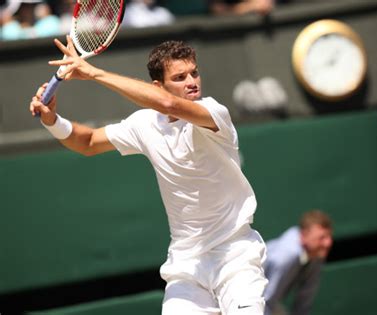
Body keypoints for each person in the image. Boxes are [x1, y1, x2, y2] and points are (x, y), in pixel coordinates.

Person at [29, 37, 268, 314]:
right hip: (186, 265)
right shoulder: (144, 125)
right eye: (179, 77)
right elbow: (89, 142)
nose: (192, 81)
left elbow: (168, 105)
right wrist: (52, 120)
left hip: (235, 256)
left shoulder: (214, 112)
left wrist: (94, 72)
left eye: (194, 72)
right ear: (159, 84)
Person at [263, 210, 333, 315]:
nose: (328, 243)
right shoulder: (286, 257)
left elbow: (304, 301)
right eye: (322, 237)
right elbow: (265, 301)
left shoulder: (315, 254)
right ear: (304, 235)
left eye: (329, 236)